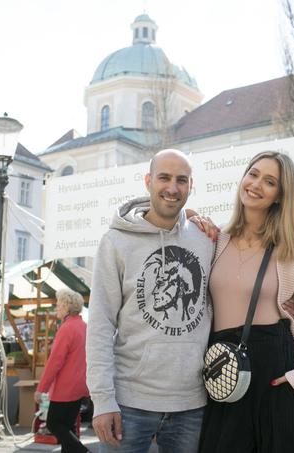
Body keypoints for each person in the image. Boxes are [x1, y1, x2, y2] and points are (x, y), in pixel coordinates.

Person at [198, 151, 294, 453]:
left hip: (278, 372)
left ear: (280, 195)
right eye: (253, 174)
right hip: (224, 368)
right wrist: (189, 217)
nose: (256, 184)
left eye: (269, 181)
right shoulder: (213, 240)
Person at [87, 149, 215, 452]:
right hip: (129, 402)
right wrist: (102, 400)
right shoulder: (116, 242)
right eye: (164, 178)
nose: (172, 188)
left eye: (181, 180)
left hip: (192, 404)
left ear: (190, 186)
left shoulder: (207, 239)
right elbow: (100, 325)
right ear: (148, 181)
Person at [34, 289, 90, 453]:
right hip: (80, 385)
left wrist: (41, 389)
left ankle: (83, 451)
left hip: (65, 387)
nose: (56, 308)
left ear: (66, 307)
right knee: (68, 428)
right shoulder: (84, 327)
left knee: (54, 424)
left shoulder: (66, 329)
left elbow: (54, 362)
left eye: (58, 305)